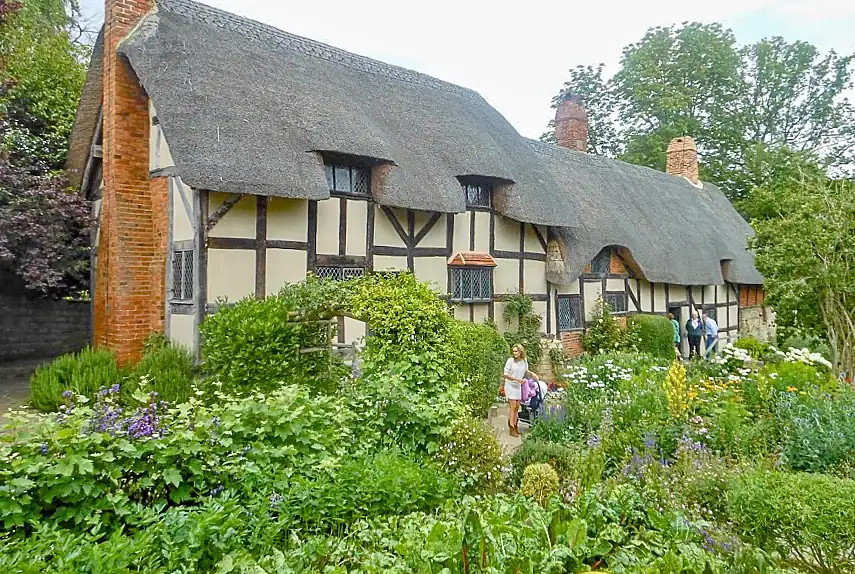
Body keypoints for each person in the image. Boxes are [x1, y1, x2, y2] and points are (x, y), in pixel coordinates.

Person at [503, 344, 539, 437]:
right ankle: (512, 427)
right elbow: (506, 374)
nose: (514, 353)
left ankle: (515, 424)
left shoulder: (524, 361)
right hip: (510, 385)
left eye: (516, 351)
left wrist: (532, 374)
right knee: (513, 406)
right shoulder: (510, 361)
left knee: (517, 406)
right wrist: (517, 379)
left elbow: (526, 371)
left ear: (520, 352)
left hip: (518, 386)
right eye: (513, 351)